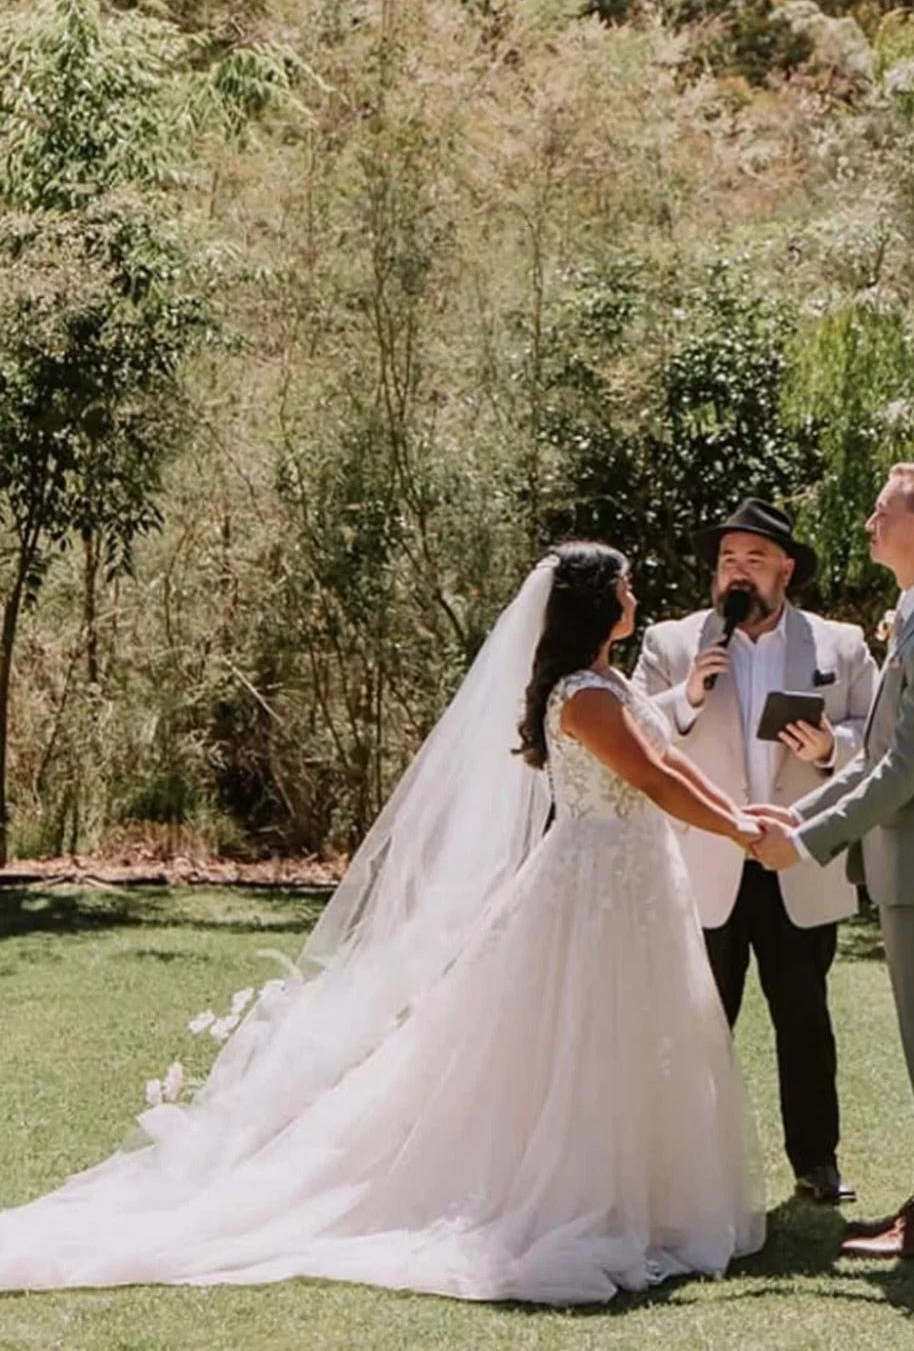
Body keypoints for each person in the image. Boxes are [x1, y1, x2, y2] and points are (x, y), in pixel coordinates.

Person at [0, 545, 765, 1306]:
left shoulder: (612, 681)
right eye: (627, 588)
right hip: (596, 880)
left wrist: (740, 815)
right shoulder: (582, 696)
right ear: (599, 604)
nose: (635, 597)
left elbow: (672, 759)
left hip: (634, 879)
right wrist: (737, 834)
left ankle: (651, 1192)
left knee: (637, 1030)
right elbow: (652, 778)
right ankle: (579, 1192)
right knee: (582, 1034)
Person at [751, 464, 914, 1261]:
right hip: (909, 863)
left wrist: (801, 844)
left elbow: (905, 771)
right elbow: (876, 757)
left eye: (882, 508)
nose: (868, 521)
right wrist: (796, 814)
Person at [637, 498, 876, 1206]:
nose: (736, 572)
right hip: (706, 861)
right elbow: (635, 738)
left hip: (797, 859)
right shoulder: (672, 643)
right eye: (726, 560)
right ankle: (687, 1167)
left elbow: (878, 737)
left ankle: (817, 1162)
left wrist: (833, 747)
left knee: (805, 1018)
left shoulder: (840, 644)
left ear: (786, 569)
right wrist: (686, 696)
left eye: (753, 559)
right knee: (701, 1021)